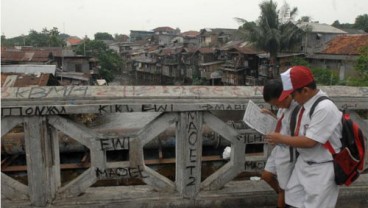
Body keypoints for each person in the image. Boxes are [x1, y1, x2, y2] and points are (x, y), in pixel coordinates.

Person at [266, 66, 342, 208]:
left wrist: (279, 138)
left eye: (293, 95)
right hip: (304, 164)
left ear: (305, 91)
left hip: (322, 168)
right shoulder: (305, 105)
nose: (292, 99)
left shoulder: (324, 108)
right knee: (291, 200)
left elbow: (310, 141)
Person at [261, 79, 299, 208]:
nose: (277, 107)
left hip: (289, 153)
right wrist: (271, 115)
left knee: (284, 188)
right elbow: (282, 124)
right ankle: (286, 197)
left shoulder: (296, 109)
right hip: (279, 148)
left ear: (284, 96)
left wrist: (280, 138)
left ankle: (285, 199)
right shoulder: (283, 108)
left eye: (276, 104)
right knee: (267, 176)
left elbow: (297, 136)